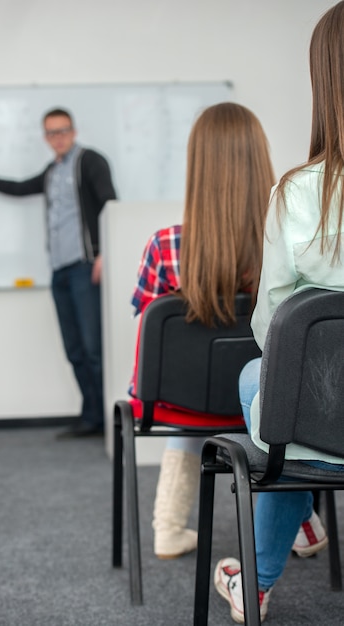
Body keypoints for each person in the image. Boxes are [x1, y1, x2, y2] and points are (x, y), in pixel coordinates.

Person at [215, 2, 344, 622]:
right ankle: (290, 539)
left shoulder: (299, 193)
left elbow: (274, 330)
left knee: (261, 383)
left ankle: (259, 579)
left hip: (328, 426)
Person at [131, 102, 276, 558]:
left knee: (192, 375)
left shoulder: (165, 245)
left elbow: (153, 328)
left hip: (181, 406)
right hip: (264, 408)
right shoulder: (284, 242)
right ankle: (300, 524)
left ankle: (169, 527)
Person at [0, 108, 117, 437]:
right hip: (59, 270)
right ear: (45, 138)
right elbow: (18, 188)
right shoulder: (51, 171)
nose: (57, 138)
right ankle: (91, 417)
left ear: (73, 131)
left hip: (85, 267)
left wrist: (105, 253)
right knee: (74, 349)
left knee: (93, 348)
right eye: (51, 133)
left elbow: (110, 205)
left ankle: (110, 420)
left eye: (63, 130)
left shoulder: (89, 161)